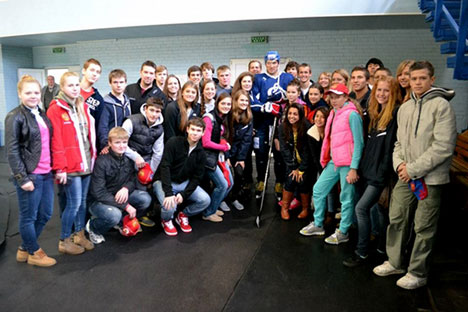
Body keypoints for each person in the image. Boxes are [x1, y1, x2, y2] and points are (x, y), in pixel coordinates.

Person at [373, 61, 457, 290]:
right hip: (405, 175)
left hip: (430, 178)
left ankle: (418, 272)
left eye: (422, 78)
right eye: (414, 78)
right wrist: (400, 165)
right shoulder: (406, 107)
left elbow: (443, 147)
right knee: (397, 218)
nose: (417, 82)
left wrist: (413, 169)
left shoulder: (441, 106)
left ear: (432, 79)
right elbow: (399, 143)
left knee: (423, 226)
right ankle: (395, 262)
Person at [343, 76, 400, 268]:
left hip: (379, 175)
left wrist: (382, 176)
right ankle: (382, 249)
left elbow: (389, 150)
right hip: (368, 172)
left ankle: (362, 252)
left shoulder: (394, 115)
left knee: (361, 209)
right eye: (379, 90)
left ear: (392, 94)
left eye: (386, 91)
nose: (382, 94)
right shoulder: (376, 115)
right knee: (380, 214)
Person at [299, 84, 363, 245]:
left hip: (348, 163)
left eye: (338, 96)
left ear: (346, 97)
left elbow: (359, 143)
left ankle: (343, 232)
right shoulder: (334, 113)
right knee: (319, 189)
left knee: (346, 198)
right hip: (334, 161)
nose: (334, 100)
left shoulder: (352, 115)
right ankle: (318, 224)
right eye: (332, 97)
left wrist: (354, 168)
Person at [5, 75, 56, 267]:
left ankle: (24, 249)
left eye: (36, 92)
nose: (33, 96)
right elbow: (12, 151)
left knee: (46, 214)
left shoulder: (41, 114)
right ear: (19, 94)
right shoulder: (14, 116)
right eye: (28, 92)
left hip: (46, 172)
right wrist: (22, 178)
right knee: (29, 216)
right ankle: (34, 251)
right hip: (30, 174)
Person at [47, 72, 97, 255]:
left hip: (85, 163)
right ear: (62, 88)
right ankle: (64, 239)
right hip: (70, 166)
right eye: (70, 85)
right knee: (74, 204)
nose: (75, 88)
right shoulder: (55, 109)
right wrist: (60, 167)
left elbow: (87, 136)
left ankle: (79, 234)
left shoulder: (81, 105)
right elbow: (56, 141)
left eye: (77, 85)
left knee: (82, 203)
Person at [86, 127, 152, 243]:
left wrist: (126, 188)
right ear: (109, 143)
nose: (121, 146)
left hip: (119, 197)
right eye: (117, 143)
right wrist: (126, 206)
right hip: (99, 201)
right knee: (114, 215)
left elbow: (132, 179)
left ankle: (122, 221)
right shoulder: (102, 161)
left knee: (144, 199)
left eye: (124, 142)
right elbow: (98, 192)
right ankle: (93, 227)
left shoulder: (127, 159)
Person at [153, 118, 211, 236]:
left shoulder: (201, 153)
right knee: (169, 207)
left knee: (205, 200)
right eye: (193, 129)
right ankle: (166, 220)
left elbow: (197, 178)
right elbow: (165, 167)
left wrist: (184, 195)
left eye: (198, 130)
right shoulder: (173, 142)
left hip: (183, 182)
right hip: (163, 181)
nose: (195, 133)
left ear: (203, 133)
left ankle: (183, 215)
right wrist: (169, 193)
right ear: (187, 129)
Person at [251, 50, 294, 198]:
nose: (271, 65)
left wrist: (283, 101)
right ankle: (261, 181)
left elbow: (294, 94)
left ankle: (279, 183)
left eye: (274, 62)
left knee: (279, 155)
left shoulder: (287, 77)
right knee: (261, 154)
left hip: (281, 125)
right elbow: (253, 99)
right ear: (265, 64)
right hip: (263, 123)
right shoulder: (258, 78)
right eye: (268, 63)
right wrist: (264, 106)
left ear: (278, 63)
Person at [202, 93, 234, 221]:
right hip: (208, 158)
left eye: (228, 104)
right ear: (217, 104)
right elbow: (205, 142)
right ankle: (208, 212)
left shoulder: (224, 118)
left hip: (219, 156)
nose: (226, 106)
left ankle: (213, 207)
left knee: (229, 183)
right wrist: (224, 147)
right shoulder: (209, 118)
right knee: (222, 185)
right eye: (223, 103)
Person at [278, 103, 312, 220]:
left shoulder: (307, 126)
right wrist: (293, 167)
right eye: (290, 113)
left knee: (302, 181)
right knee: (290, 179)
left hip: (305, 162)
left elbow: (308, 150)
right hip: (291, 162)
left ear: (300, 115)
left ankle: (305, 208)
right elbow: (284, 149)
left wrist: (301, 169)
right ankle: (285, 208)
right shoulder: (282, 127)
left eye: (295, 114)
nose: (292, 116)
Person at [225, 90, 253, 210]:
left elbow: (246, 140)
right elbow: (224, 137)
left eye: (246, 100)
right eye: (241, 100)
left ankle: (234, 198)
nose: (244, 102)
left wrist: (241, 158)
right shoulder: (228, 115)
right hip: (226, 151)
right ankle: (223, 199)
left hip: (238, 152)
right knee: (226, 176)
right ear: (235, 101)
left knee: (239, 173)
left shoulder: (249, 117)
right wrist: (226, 157)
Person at [97, 69, 131, 153]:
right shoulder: (106, 103)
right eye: (115, 82)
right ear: (110, 83)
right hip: (112, 147)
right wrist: (105, 144)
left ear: (125, 83)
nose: (118, 85)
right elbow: (102, 127)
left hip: (125, 145)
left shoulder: (127, 101)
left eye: (121, 82)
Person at [80, 58, 104, 125]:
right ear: (83, 71)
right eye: (92, 70)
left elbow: (98, 124)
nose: (94, 74)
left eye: (98, 72)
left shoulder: (98, 99)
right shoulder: (71, 91)